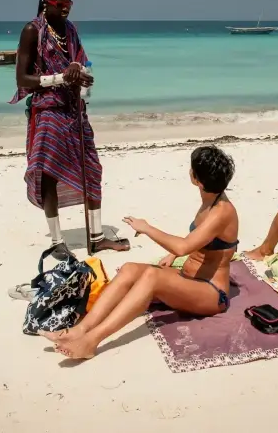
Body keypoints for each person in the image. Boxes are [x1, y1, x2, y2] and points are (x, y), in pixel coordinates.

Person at [39, 145, 239, 360]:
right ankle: (81, 328)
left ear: (197, 180)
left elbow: (183, 246)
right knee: (130, 269)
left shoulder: (222, 211)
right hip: (190, 279)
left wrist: (147, 228)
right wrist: (174, 256)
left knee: (152, 276)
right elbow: (202, 240)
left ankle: (91, 341)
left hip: (211, 293)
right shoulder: (211, 201)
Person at [9, 0, 130, 257]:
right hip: (48, 109)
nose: (65, 9)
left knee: (92, 168)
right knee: (49, 172)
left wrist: (81, 74)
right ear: (45, 3)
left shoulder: (71, 30)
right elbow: (22, 78)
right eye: (60, 4)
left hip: (74, 110)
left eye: (69, 4)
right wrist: (60, 77)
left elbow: (82, 65)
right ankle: (56, 242)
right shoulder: (32, 31)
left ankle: (97, 236)